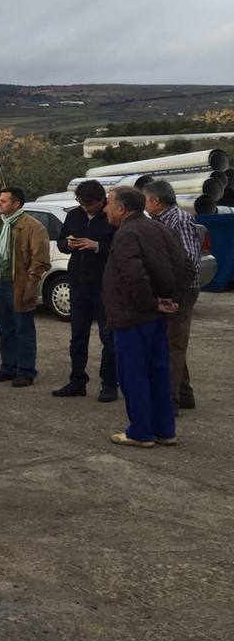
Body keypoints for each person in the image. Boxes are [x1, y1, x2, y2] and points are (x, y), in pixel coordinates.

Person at [103, 187, 191, 448]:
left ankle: (140, 432)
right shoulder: (160, 228)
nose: (106, 209)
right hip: (155, 315)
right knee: (158, 372)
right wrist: (170, 297)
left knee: (134, 375)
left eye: (109, 204)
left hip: (133, 316)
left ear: (121, 208)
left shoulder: (127, 233)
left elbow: (134, 275)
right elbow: (184, 263)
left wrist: (151, 301)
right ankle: (165, 431)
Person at [52, 180, 118, 402]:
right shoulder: (74, 215)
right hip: (78, 283)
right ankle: (77, 381)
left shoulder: (113, 215)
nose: (85, 208)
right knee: (77, 336)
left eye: (89, 204)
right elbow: (60, 240)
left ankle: (109, 384)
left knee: (108, 337)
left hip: (103, 285)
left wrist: (97, 246)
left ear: (101, 200)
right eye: (81, 203)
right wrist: (67, 244)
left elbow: (121, 247)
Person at [0, 187, 51, 387]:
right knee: (4, 329)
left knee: (23, 329)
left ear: (16, 204)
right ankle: (8, 367)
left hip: (17, 285)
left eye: (3, 201)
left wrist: (31, 283)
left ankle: (26, 371)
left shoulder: (33, 227)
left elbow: (41, 260)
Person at [143, 180, 202, 412]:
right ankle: (185, 394)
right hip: (170, 288)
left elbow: (189, 261)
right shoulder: (160, 221)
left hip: (181, 290)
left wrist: (174, 293)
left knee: (173, 344)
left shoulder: (180, 220)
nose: (145, 204)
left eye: (146, 199)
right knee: (171, 341)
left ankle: (169, 402)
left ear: (156, 201)